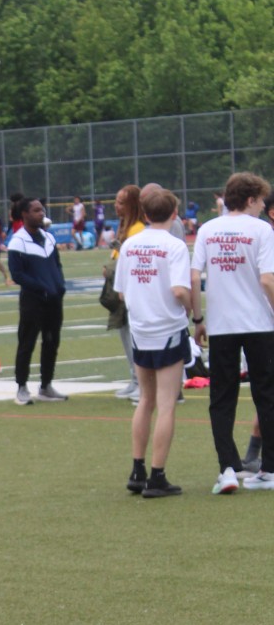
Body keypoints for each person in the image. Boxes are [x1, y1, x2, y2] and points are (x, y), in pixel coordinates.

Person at [191, 172, 274, 493]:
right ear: (250, 199)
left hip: (222, 324)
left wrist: (198, 318)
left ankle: (227, 468)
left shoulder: (208, 229)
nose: (263, 206)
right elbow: (267, 280)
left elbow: (194, 276)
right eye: (260, 200)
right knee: (266, 395)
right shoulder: (262, 229)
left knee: (222, 398)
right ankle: (269, 469)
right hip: (259, 324)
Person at [114, 188, 192, 498]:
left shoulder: (130, 244)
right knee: (166, 404)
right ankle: (157, 475)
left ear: (145, 214)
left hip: (141, 330)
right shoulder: (174, 245)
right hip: (168, 328)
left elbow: (121, 292)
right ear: (174, 213)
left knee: (145, 400)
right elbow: (179, 290)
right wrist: (192, 310)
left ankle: (138, 469)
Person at [7, 199, 68, 405]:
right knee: (27, 343)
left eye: (42, 210)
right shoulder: (18, 242)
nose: (41, 213)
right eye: (36, 210)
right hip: (33, 301)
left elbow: (57, 265)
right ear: (24, 214)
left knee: (51, 342)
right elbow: (17, 274)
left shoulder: (49, 238)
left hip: (54, 300)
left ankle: (46, 385)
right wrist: (41, 287)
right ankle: (21, 387)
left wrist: (59, 285)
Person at [102, 186, 146, 403]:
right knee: (125, 335)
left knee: (133, 337)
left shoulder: (137, 229)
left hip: (131, 292)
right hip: (120, 289)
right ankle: (134, 379)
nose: (116, 205)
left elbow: (130, 259)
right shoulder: (124, 227)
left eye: (121, 202)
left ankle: (141, 382)